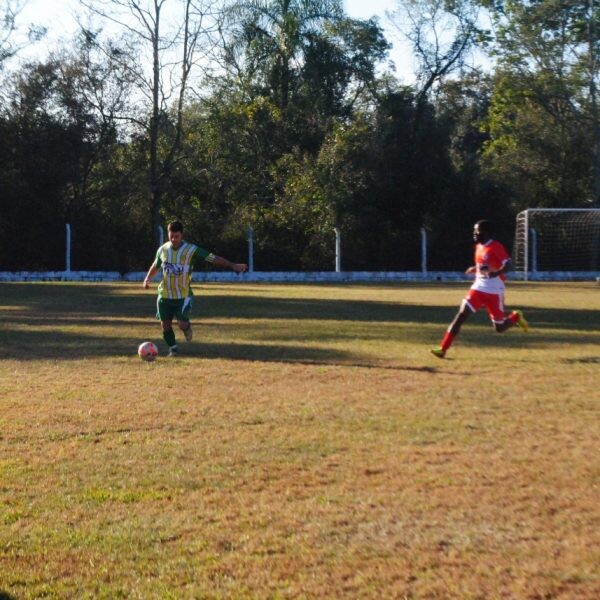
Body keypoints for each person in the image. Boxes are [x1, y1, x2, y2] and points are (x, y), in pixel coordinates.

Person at [143, 220, 247, 356]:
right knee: (165, 325)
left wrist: (232, 265)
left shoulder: (191, 250)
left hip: (183, 295)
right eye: (171, 236)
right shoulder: (163, 249)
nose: (174, 239)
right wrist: (147, 278)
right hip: (164, 295)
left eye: (177, 236)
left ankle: (187, 328)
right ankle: (173, 348)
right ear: (168, 234)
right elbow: (156, 265)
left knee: (181, 324)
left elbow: (212, 258)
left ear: (182, 235)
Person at [430, 219, 528, 359]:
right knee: (461, 315)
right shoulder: (478, 247)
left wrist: (496, 273)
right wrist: (475, 268)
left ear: (485, 232)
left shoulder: (496, 246)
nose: (474, 234)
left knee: (499, 328)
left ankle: (516, 316)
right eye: (474, 231)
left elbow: (508, 265)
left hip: (495, 291)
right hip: (478, 288)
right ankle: (443, 349)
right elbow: (485, 265)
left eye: (477, 231)